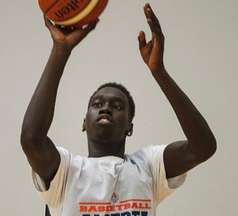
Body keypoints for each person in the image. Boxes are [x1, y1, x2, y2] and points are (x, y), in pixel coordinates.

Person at [20, 3, 216, 216]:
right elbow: (31, 138)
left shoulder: (149, 166)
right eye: (97, 104)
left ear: (129, 127)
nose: (105, 108)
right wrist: (60, 50)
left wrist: (160, 72)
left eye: (117, 106)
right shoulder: (67, 170)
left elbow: (203, 147)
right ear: (84, 122)